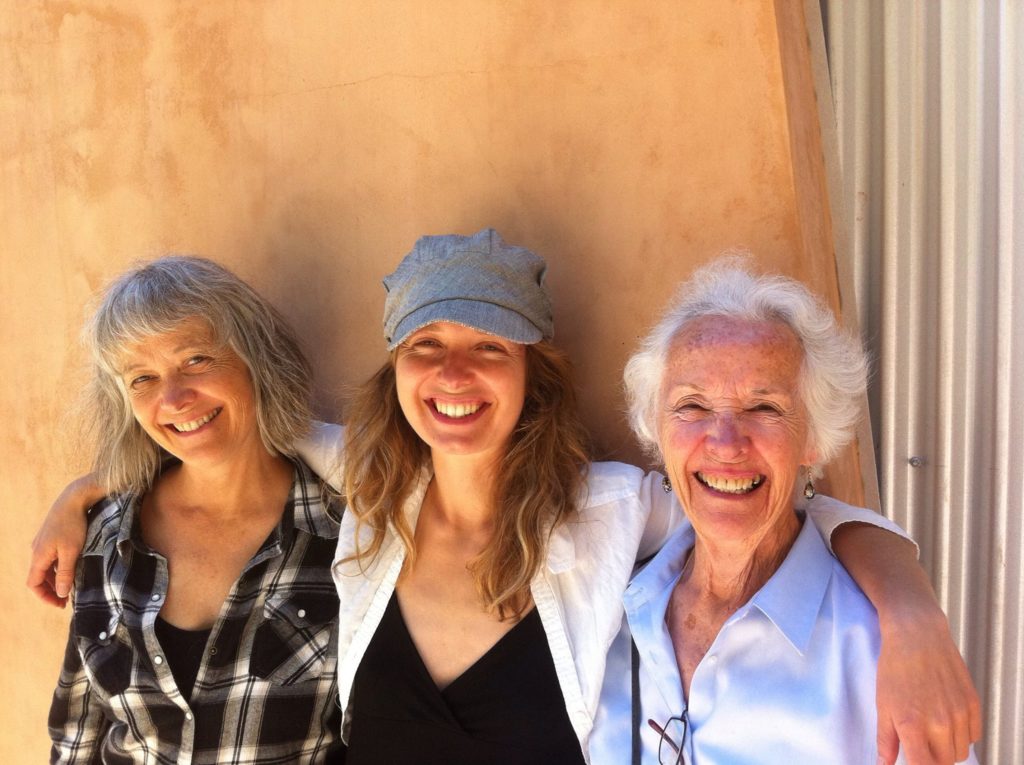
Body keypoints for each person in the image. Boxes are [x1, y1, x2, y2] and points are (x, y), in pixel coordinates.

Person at [32, 233, 980, 763]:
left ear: (534, 371)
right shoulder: (365, 497)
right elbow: (229, 430)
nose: (454, 374)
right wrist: (85, 491)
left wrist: (910, 609)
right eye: (424, 347)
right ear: (395, 372)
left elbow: (768, 507)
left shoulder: (609, 512)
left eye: (489, 345)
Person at [589, 259, 978, 764]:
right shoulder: (606, 608)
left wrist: (911, 615)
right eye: (693, 406)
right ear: (656, 431)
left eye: (764, 408)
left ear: (812, 438)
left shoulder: (877, 653)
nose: (725, 444)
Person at [46, 257, 344, 764]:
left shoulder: (343, 531)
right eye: (142, 379)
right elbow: (77, 737)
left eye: (196, 361)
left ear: (256, 359)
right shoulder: (106, 534)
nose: (174, 398)